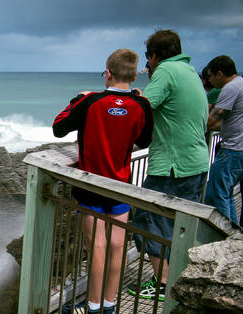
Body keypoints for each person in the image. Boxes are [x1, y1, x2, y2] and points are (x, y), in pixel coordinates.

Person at [53, 48, 153, 314]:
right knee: (118, 245)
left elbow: (58, 126)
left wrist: (78, 98)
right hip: (121, 184)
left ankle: (93, 307)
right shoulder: (141, 105)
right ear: (134, 76)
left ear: (108, 73)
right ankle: (110, 304)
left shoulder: (91, 102)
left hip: (91, 186)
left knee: (96, 246)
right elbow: (144, 141)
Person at [128, 30, 209, 302]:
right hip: (196, 162)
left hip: (173, 166)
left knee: (146, 218)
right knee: (181, 226)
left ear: (154, 56)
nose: (148, 66)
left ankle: (163, 284)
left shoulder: (166, 71)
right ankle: (177, 277)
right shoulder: (190, 73)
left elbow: (141, 110)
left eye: (149, 60)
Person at [204, 55, 243, 225]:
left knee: (216, 193)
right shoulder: (241, 83)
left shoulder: (230, 88)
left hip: (233, 149)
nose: (210, 82)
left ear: (219, 73)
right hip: (239, 148)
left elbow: (211, 120)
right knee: (226, 194)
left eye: (211, 76)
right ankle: (233, 234)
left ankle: (222, 236)